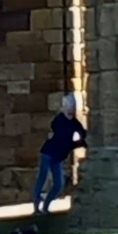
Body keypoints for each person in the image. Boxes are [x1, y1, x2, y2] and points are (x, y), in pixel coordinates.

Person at [33, 88, 86, 217]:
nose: (70, 112)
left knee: (58, 184)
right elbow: (64, 138)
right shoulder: (59, 120)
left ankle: (46, 206)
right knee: (42, 178)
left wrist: (82, 142)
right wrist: (76, 143)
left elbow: (82, 134)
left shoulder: (74, 123)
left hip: (58, 157)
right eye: (68, 109)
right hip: (48, 154)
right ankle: (36, 205)